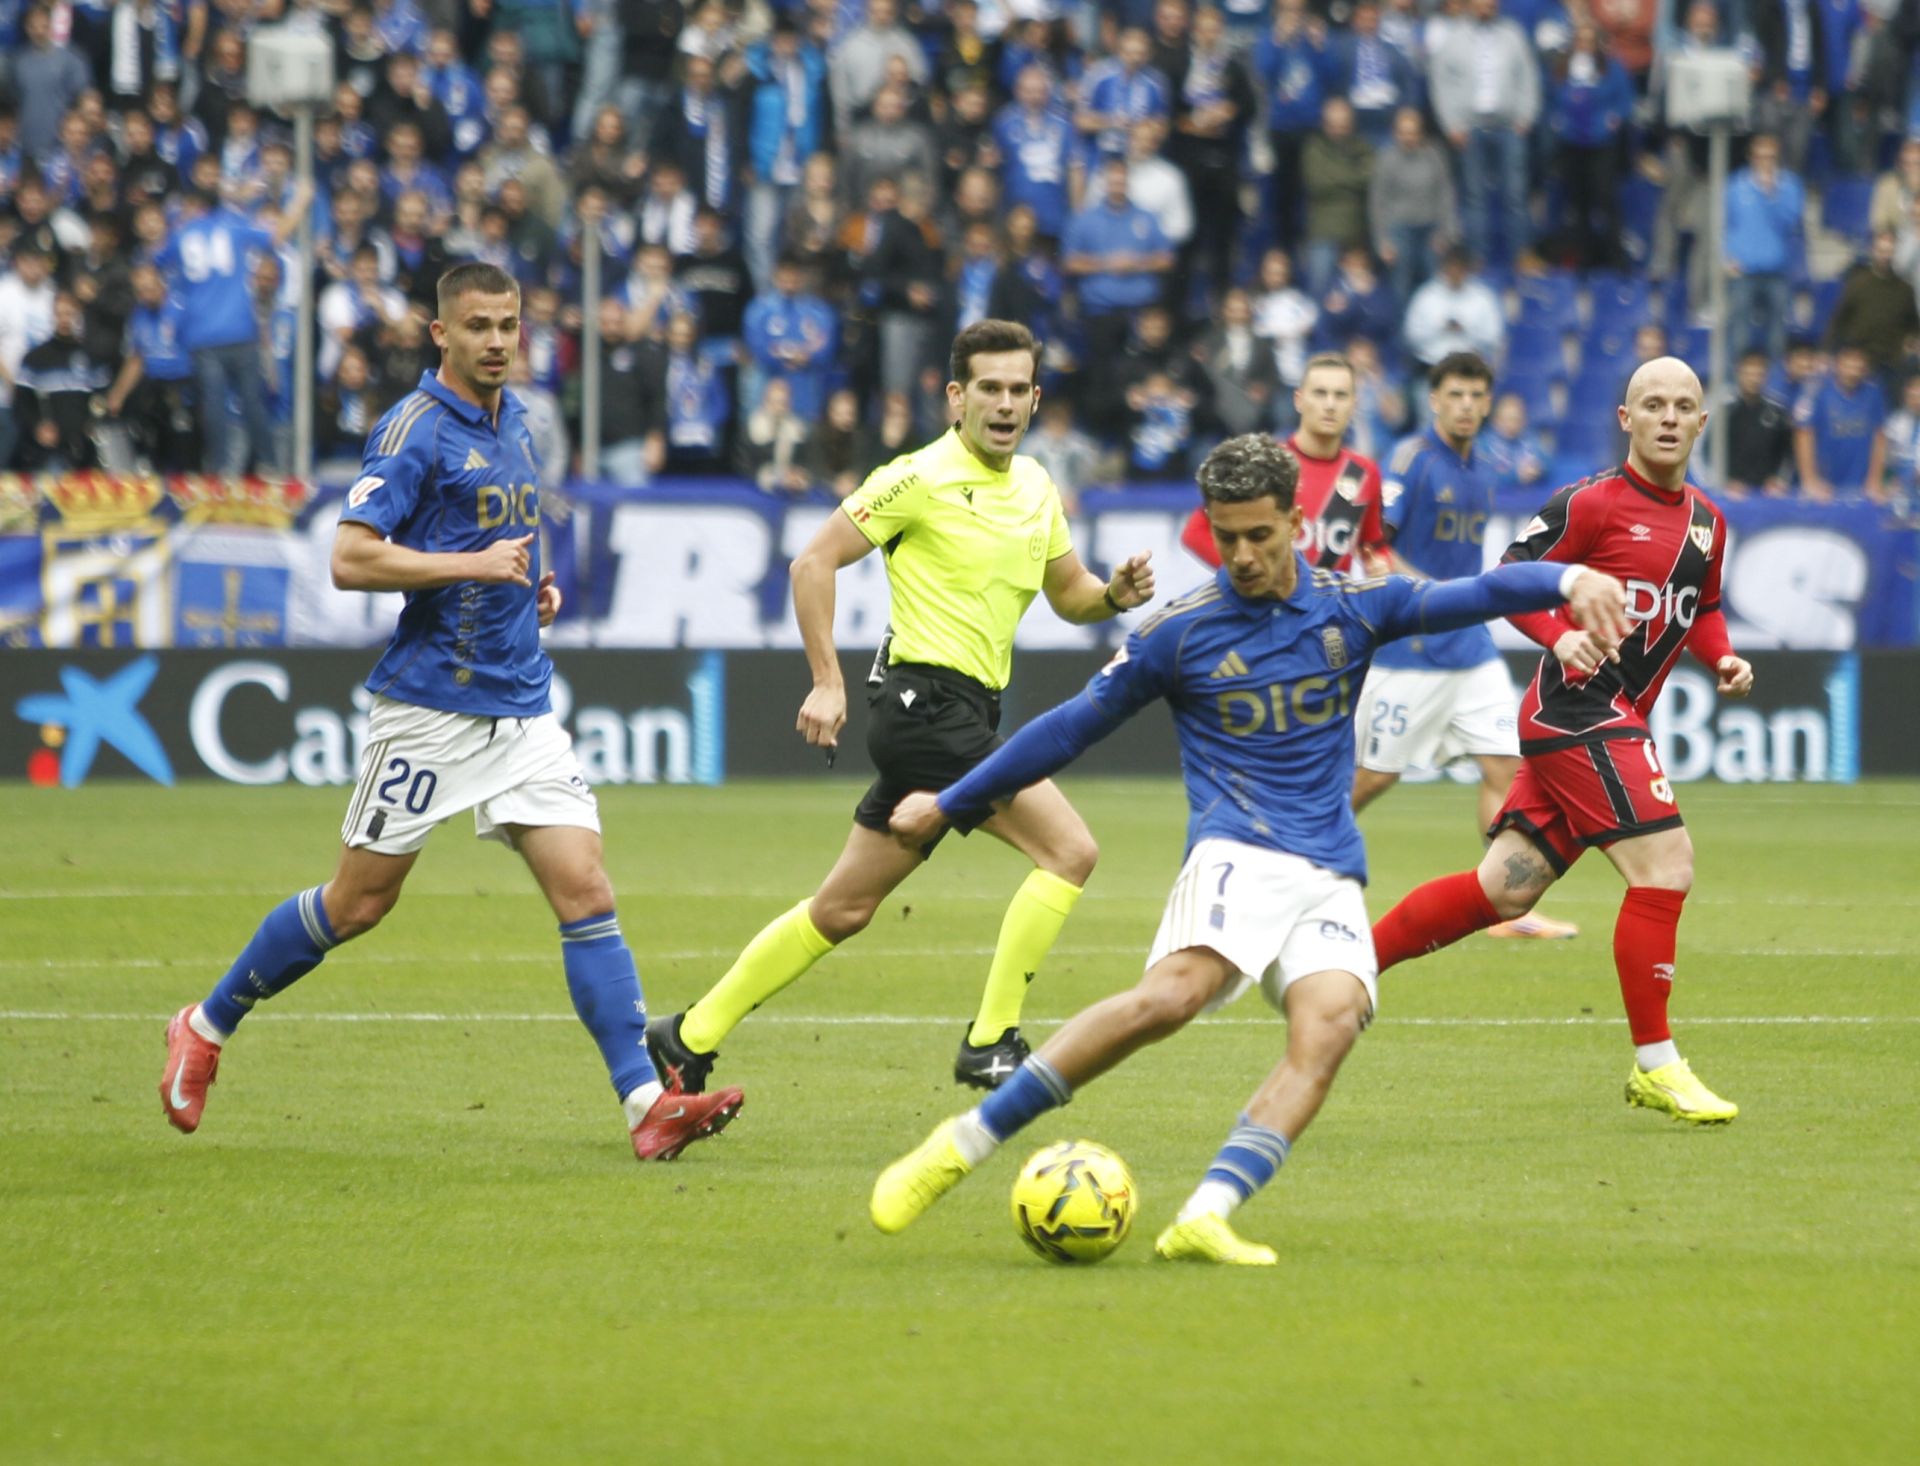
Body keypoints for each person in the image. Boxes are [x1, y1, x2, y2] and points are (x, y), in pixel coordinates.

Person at [868, 433, 1629, 1263]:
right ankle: (963, 1145)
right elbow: (1065, 731)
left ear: (1295, 523)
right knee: (1172, 999)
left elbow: (1477, 592)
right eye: (1225, 536)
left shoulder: (1352, 607)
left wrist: (1568, 577)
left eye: (1258, 536)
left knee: (1331, 1025)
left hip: (1331, 870)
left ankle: (1208, 1212)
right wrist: (951, 803)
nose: (1241, 555)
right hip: (1236, 853)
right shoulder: (1179, 634)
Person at [158, 262, 745, 1161]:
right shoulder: (414, 430)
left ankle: (645, 1106)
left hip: (520, 703)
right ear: (442, 334)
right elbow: (352, 560)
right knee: (357, 904)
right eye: (479, 326)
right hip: (431, 708)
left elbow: (493, 539)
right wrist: (473, 570)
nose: (499, 341)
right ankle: (205, 1023)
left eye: (510, 323)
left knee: (585, 887)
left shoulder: (518, 420)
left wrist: (526, 592)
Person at [644, 319, 1158, 1096]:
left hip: (961, 715)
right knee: (1070, 852)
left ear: (1036, 397)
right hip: (923, 706)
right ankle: (991, 1040)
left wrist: (1113, 595)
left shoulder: (1037, 488)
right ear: (957, 397)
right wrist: (827, 679)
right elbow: (813, 560)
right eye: (989, 387)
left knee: (843, 908)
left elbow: (1070, 596)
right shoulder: (915, 477)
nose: (1005, 403)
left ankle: (687, 1036)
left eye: (1020, 389)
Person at [1368, 356, 1752, 1125]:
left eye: (1684, 405)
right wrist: (1560, 634)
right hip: (1578, 709)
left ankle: (1346, 965)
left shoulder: (1708, 522)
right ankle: (1657, 1064)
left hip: (1611, 716)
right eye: (1653, 404)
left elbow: (1700, 607)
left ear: (1703, 422)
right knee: (1667, 864)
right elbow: (1511, 577)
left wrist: (1723, 657)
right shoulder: (1591, 504)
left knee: (1505, 888)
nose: (1669, 416)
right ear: (1626, 419)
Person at [1354, 352, 1579, 941]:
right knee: (1372, 779)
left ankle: (1506, 908)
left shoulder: (1484, 467)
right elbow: (1376, 550)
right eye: (1455, 394)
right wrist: (1431, 598)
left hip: (1471, 648)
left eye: (1477, 396)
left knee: (1507, 768)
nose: (1466, 406)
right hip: (1411, 647)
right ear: (1434, 399)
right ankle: (1287, 855)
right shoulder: (1410, 461)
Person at [153, 180, 314, 476]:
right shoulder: (232, 227)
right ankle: (269, 465)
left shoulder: (181, 235)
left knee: (214, 406)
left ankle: (218, 469)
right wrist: (300, 203)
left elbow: (157, 260)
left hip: (201, 332)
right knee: (253, 402)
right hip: (240, 327)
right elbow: (276, 236)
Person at [1180, 351, 1386, 576]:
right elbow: (1195, 533)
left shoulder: (1365, 472)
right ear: (1298, 400)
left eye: (1340, 395)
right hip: (1265, 610)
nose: (1330, 404)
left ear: (1354, 404)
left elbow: (1375, 548)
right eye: (1320, 393)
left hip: (1331, 609)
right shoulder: (1262, 461)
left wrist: (1380, 565)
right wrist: (1252, 578)